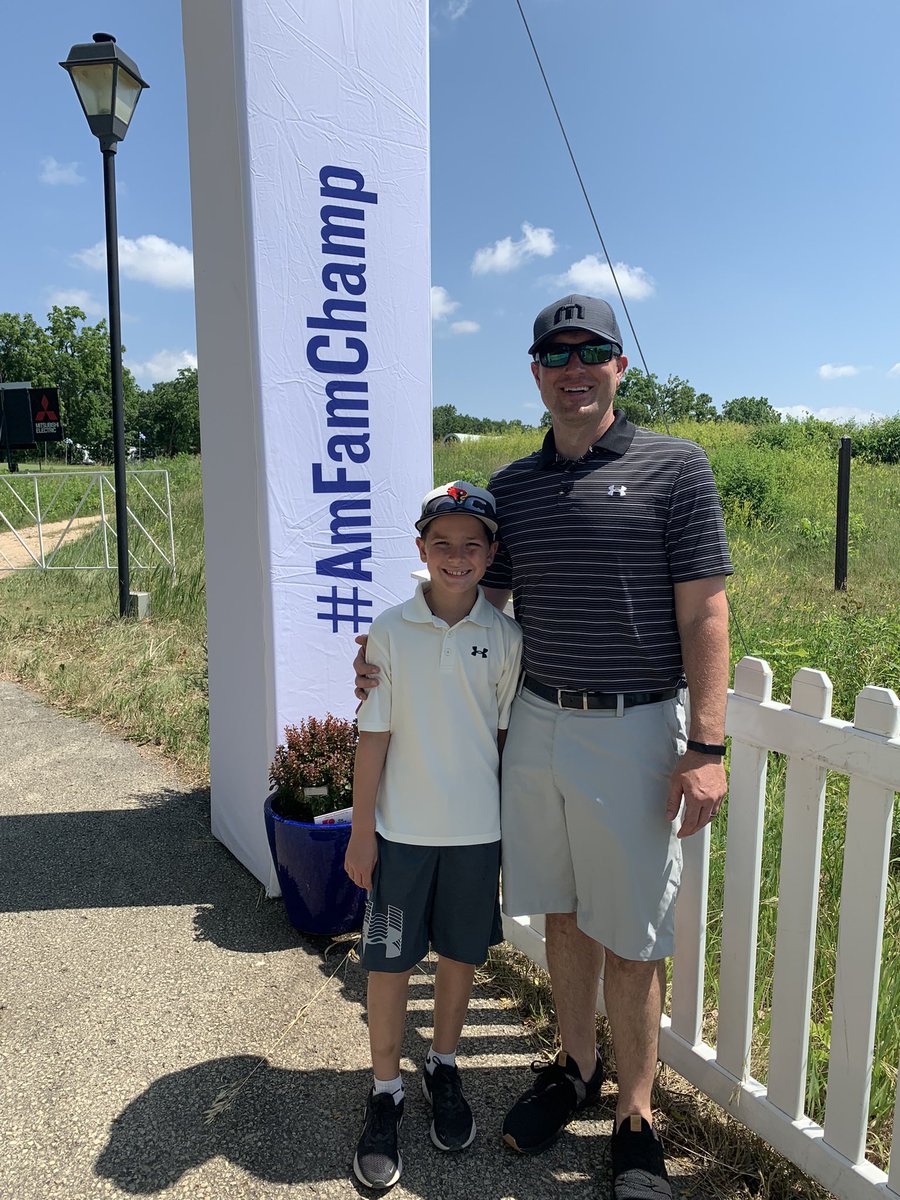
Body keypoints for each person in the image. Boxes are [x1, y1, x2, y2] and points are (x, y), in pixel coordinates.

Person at [355, 295, 732, 1199]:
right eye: (556, 355)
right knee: (563, 914)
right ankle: (573, 1069)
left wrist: (707, 742)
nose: (574, 369)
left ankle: (636, 1115)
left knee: (634, 937)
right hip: (534, 725)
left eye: (591, 352)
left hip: (636, 726)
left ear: (619, 365)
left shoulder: (676, 468)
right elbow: (471, 598)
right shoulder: (513, 488)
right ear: (535, 373)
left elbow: (705, 609)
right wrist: (382, 655)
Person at [345, 480, 522, 1190]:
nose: (456, 557)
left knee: (459, 956)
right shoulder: (388, 631)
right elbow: (374, 735)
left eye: (471, 545)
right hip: (402, 835)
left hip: (477, 835)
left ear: (490, 554)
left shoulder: (506, 637)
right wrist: (363, 830)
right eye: (441, 544)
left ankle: (442, 1066)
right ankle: (384, 1089)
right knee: (389, 963)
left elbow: (504, 737)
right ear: (421, 550)